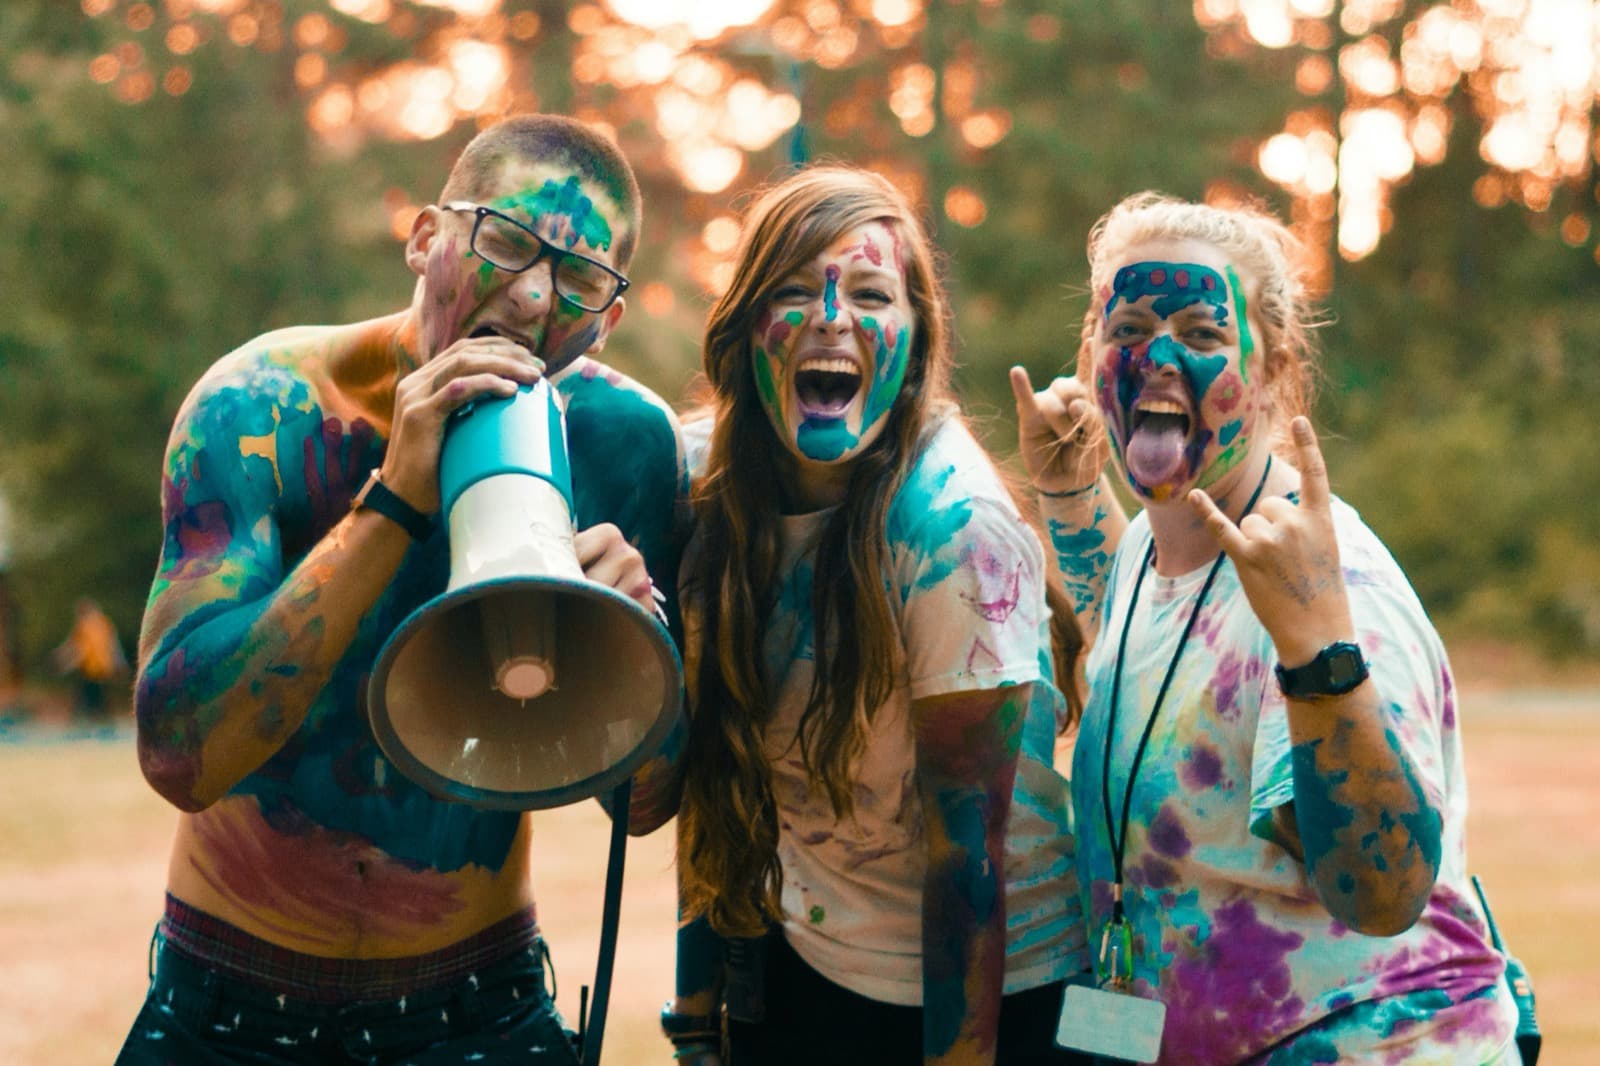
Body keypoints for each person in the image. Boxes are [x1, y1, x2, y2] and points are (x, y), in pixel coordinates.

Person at [119, 114, 687, 1064]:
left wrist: (631, 649)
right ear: (425, 238)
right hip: (229, 1004)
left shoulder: (622, 442)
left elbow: (644, 803)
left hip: (474, 1007)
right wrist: (394, 502)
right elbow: (178, 755)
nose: (537, 296)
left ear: (609, 317)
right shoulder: (262, 406)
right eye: (505, 242)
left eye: (581, 280)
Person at [1011, 192, 1518, 1063]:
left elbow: (1383, 891)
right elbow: (1152, 660)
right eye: (1127, 325)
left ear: (1275, 367)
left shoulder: (1330, 584)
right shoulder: (1149, 547)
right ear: (1092, 360)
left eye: (1204, 336)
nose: (1159, 356)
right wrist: (1066, 492)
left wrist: (1319, 647)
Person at [664, 165, 1092, 1066]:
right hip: (811, 953)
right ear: (747, 331)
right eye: (793, 290)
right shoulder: (708, 485)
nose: (830, 316)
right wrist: (696, 1012)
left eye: (869, 292)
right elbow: (714, 769)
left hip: (992, 993)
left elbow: (965, 860)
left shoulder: (952, 532)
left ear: (916, 341)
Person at [52, 596, 129, 720]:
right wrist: (120, 664)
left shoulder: (86, 627)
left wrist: (63, 661)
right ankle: (100, 719)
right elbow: (114, 646)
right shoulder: (104, 624)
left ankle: (87, 719)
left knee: (89, 697)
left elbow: (76, 648)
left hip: (91, 670)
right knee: (97, 698)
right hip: (102, 669)